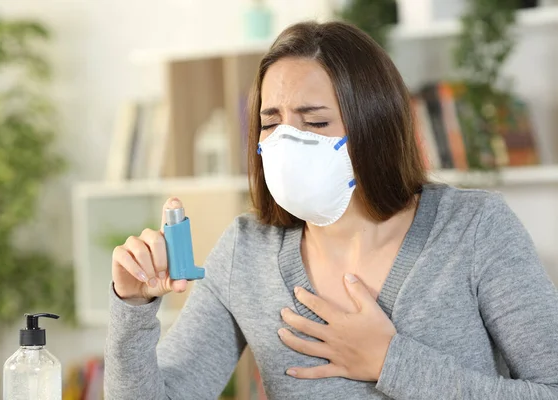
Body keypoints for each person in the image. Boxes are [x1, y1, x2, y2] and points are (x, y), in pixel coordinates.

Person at [104, 21, 558, 400]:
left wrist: (389, 361)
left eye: (315, 122)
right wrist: (133, 306)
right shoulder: (246, 251)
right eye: (270, 122)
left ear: (373, 125)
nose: (286, 141)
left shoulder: (474, 229)